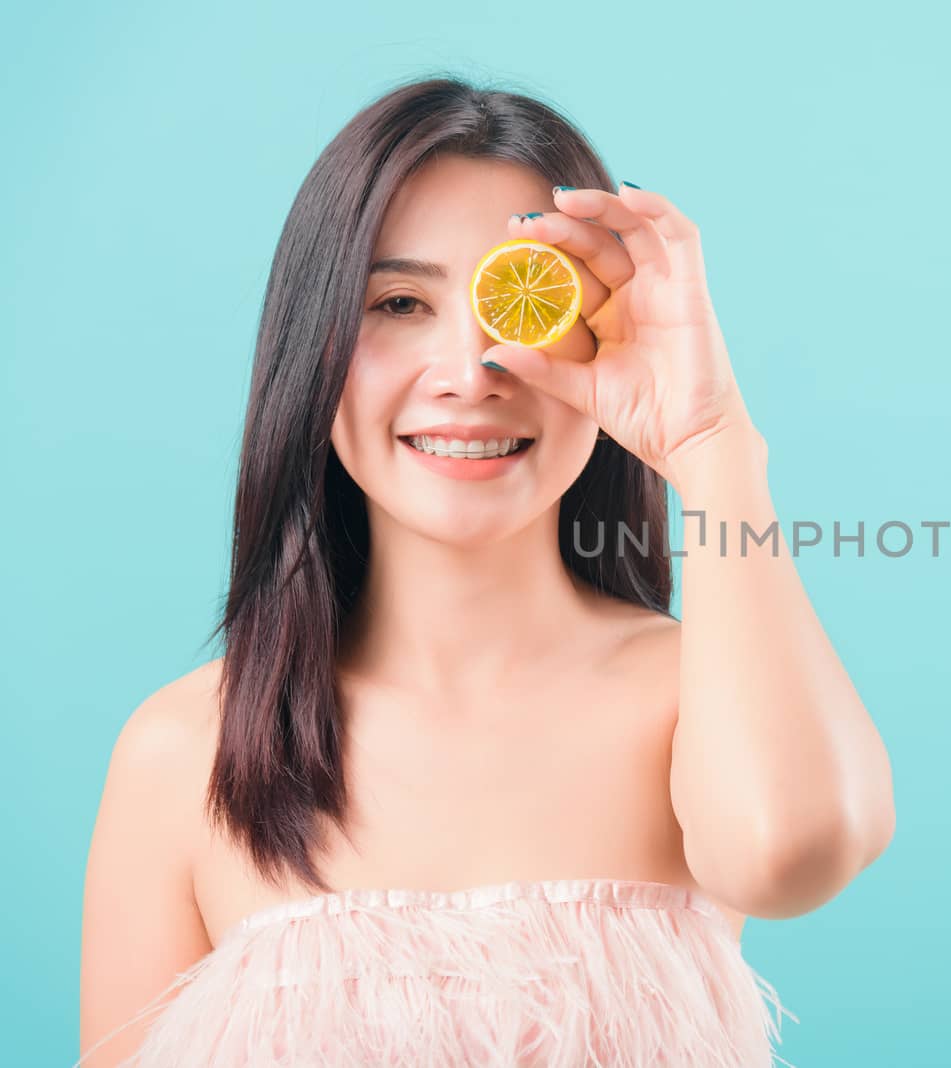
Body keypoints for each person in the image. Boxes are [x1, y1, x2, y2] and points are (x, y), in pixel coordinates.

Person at [76, 75, 896, 1067]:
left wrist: (713, 442)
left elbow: (791, 854)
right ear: (314, 345)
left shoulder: (701, 695)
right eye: (401, 301)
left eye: (521, 301)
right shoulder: (183, 751)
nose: (471, 370)